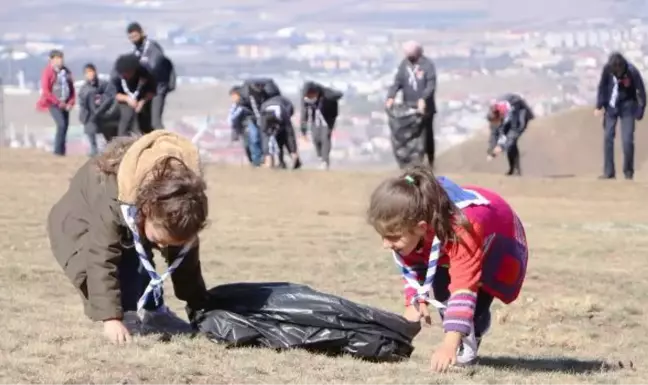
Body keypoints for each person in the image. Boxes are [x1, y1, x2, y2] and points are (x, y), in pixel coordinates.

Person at [46, 131, 210, 345]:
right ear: (147, 211)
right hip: (78, 225)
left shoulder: (181, 201)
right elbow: (101, 258)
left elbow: (184, 260)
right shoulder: (112, 191)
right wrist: (112, 318)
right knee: (122, 260)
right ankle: (127, 313)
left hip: (132, 216)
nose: (161, 246)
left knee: (141, 256)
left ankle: (155, 313)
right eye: (160, 240)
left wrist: (199, 307)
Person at [366, 165, 528, 372]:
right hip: (442, 235)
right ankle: (461, 332)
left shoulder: (463, 228)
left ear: (421, 227)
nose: (385, 244)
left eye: (393, 237)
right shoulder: (410, 224)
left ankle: (472, 333)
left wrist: (448, 345)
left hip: (495, 234)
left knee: (471, 301)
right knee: (442, 292)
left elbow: (463, 288)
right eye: (383, 236)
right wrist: (415, 299)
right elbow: (412, 264)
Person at [594, 52, 646, 180]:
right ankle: (609, 172)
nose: (617, 73)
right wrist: (599, 105)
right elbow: (602, 87)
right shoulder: (607, 69)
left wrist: (640, 110)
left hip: (627, 106)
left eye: (619, 70)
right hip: (611, 107)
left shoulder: (632, 71)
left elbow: (641, 92)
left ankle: (628, 172)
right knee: (608, 137)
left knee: (627, 140)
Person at [385, 41, 437, 167]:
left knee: (426, 135)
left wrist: (423, 99)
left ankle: (429, 161)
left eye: (411, 54)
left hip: (425, 108)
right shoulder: (405, 64)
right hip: (408, 105)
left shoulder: (427, 65)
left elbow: (431, 85)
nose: (408, 57)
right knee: (408, 135)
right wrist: (391, 96)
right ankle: (409, 162)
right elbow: (398, 81)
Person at [127, 22, 176, 129]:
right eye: (131, 37)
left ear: (141, 33)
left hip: (158, 89)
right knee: (142, 123)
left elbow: (154, 68)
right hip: (146, 90)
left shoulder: (152, 48)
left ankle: (166, 143)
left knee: (155, 122)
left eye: (135, 36)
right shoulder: (136, 52)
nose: (133, 39)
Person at [36, 49, 75, 156]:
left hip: (65, 102)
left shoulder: (66, 72)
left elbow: (71, 88)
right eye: (57, 59)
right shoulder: (48, 72)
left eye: (61, 58)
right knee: (61, 125)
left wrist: (71, 102)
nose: (60, 61)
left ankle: (62, 151)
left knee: (65, 126)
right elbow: (46, 90)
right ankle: (57, 151)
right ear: (51, 60)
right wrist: (58, 103)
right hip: (53, 103)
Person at [485, 94, 534, 176]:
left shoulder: (511, 114)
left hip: (520, 112)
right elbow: (493, 133)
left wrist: (501, 147)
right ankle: (513, 169)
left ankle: (516, 169)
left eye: (495, 121)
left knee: (511, 142)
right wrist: (492, 150)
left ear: (500, 116)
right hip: (505, 116)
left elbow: (513, 132)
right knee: (504, 139)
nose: (494, 124)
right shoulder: (494, 114)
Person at [237, 78, 282, 166]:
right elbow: (242, 106)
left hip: (266, 119)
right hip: (252, 119)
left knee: (267, 140)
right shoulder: (246, 95)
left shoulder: (269, 93)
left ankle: (268, 160)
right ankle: (257, 161)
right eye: (258, 85)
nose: (260, 87)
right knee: (254, 138)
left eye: (262, 85)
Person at [299, 81, 343, 170]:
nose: (310, 97)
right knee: (315, 138)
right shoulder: (305, 99)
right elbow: (304, 116)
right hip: (316, 118)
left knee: (325, 138)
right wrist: (303, 131)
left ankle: (325, 161)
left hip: (328, 118)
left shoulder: (326, 94)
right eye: (308, 95)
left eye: (311, 94)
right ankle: (320, 157)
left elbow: (338, 95)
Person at [78, 63, 119, 155]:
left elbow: (111, 96)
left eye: (91, 72)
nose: (90, 74)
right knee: (93, 142)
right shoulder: (84, 89)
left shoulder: (104, 84)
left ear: (95, 72)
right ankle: (94, 155)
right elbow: (83, 105)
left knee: (109, 139)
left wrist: (101, 102)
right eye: (87, 73)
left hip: (105, 116)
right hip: (90, 118)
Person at [111, 53, 157, 137]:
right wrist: (127, 99)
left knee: (145, 121)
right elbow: (114, 94)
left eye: (129, 72)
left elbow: (152, 91)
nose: (126, 75)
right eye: (125, 73)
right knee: (127, 116)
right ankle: (122, 140)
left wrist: (142, 102)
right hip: (124, 100)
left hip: (142, 100)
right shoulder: (116, 76)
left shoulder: (145, 73)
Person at [259, 94, 302, 169]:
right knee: (276, 137)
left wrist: (293, 151)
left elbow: (290, 134)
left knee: (284, 136)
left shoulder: (285, 112)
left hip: (284, 109)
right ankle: (277, 161)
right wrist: (267, 156)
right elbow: (265, 137)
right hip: (273, 113)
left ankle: (291, 159)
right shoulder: (263, 116)